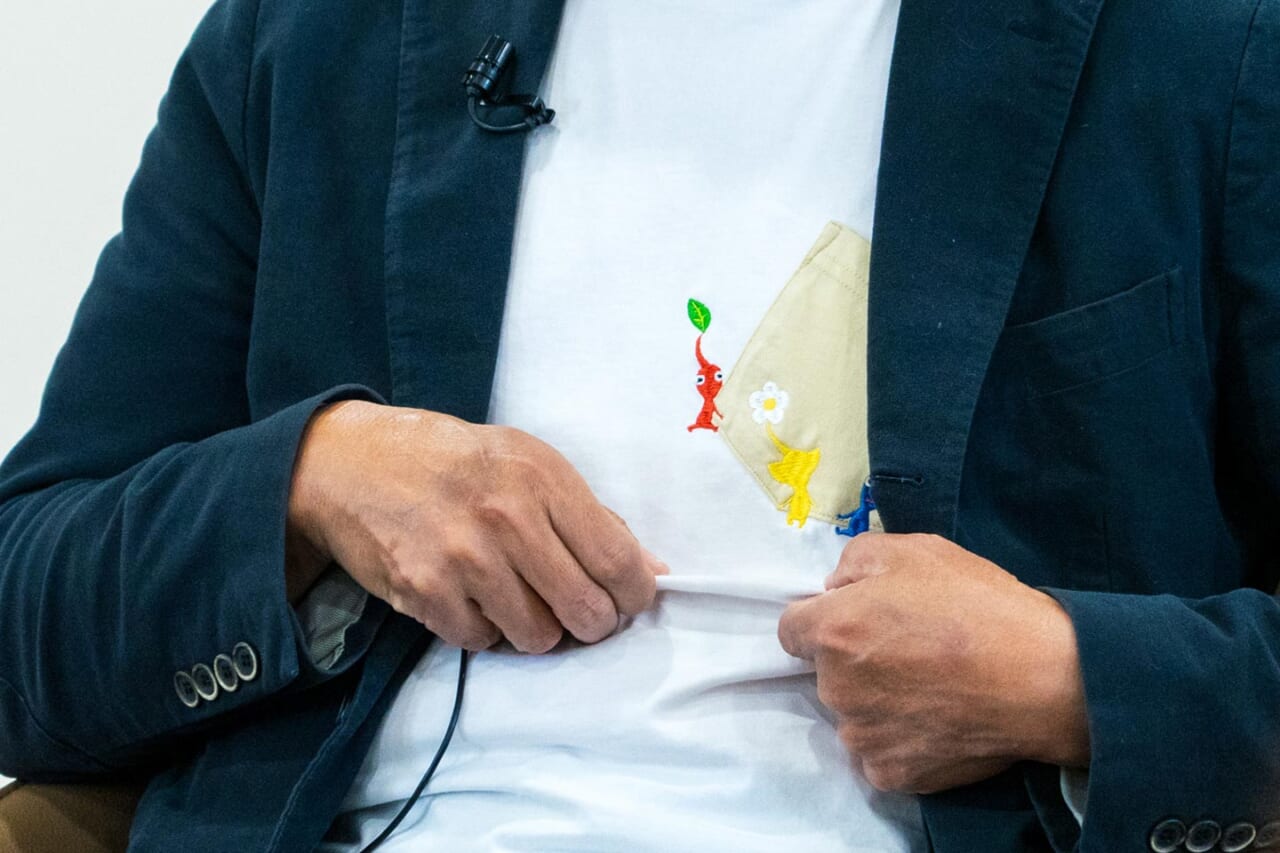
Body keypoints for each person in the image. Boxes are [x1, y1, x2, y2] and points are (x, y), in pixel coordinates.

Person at [1, 0, 1277, 851]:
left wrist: (1073, 679)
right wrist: (312, 481)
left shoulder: (1202, 48)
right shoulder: (318, 36)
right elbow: (23, 619)